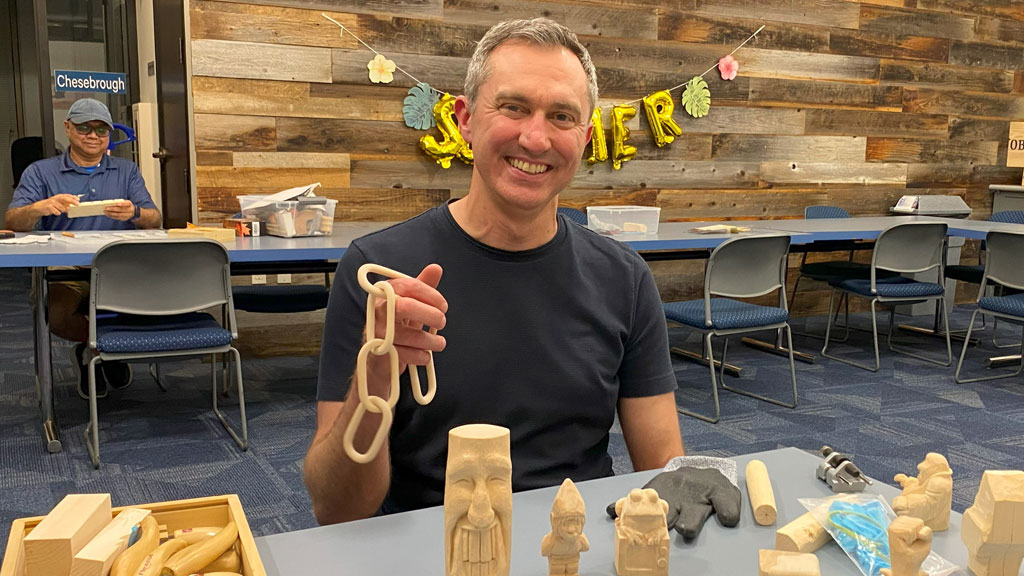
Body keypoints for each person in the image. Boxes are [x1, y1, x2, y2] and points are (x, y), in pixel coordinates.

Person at [305, 17, 684, 525]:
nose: (535, 138)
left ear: (586, 137)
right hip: (429, 548)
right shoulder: (379, 275)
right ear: (464, 118)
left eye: (562, 117)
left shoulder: (625, 279)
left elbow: (662, 472)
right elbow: (335, 509)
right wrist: (372, 385)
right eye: (513, 107)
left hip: (576, 541)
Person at [6, 98, 162, 399]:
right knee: (55, 313)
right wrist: (40, 207)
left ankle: (103, 350)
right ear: (68, 128)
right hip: (66, 268)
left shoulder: (126, 171)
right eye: (84, 128)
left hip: (120, 265)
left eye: (101, 130)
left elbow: (155, 220)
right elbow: (13, 221)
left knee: (160, 301)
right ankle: (96, 348)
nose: (93, 135)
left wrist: (135, 213)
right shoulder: (40, 172)